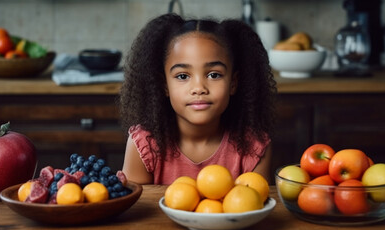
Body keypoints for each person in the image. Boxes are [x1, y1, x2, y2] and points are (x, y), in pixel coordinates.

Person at [118, 13, 276, 185]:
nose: (199, 88)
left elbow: (255, 205)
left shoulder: (254, 147)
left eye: (214, 75)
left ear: (233, 83)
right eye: (183, 76)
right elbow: (136, 208)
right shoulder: (144, 145)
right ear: (164, 85)